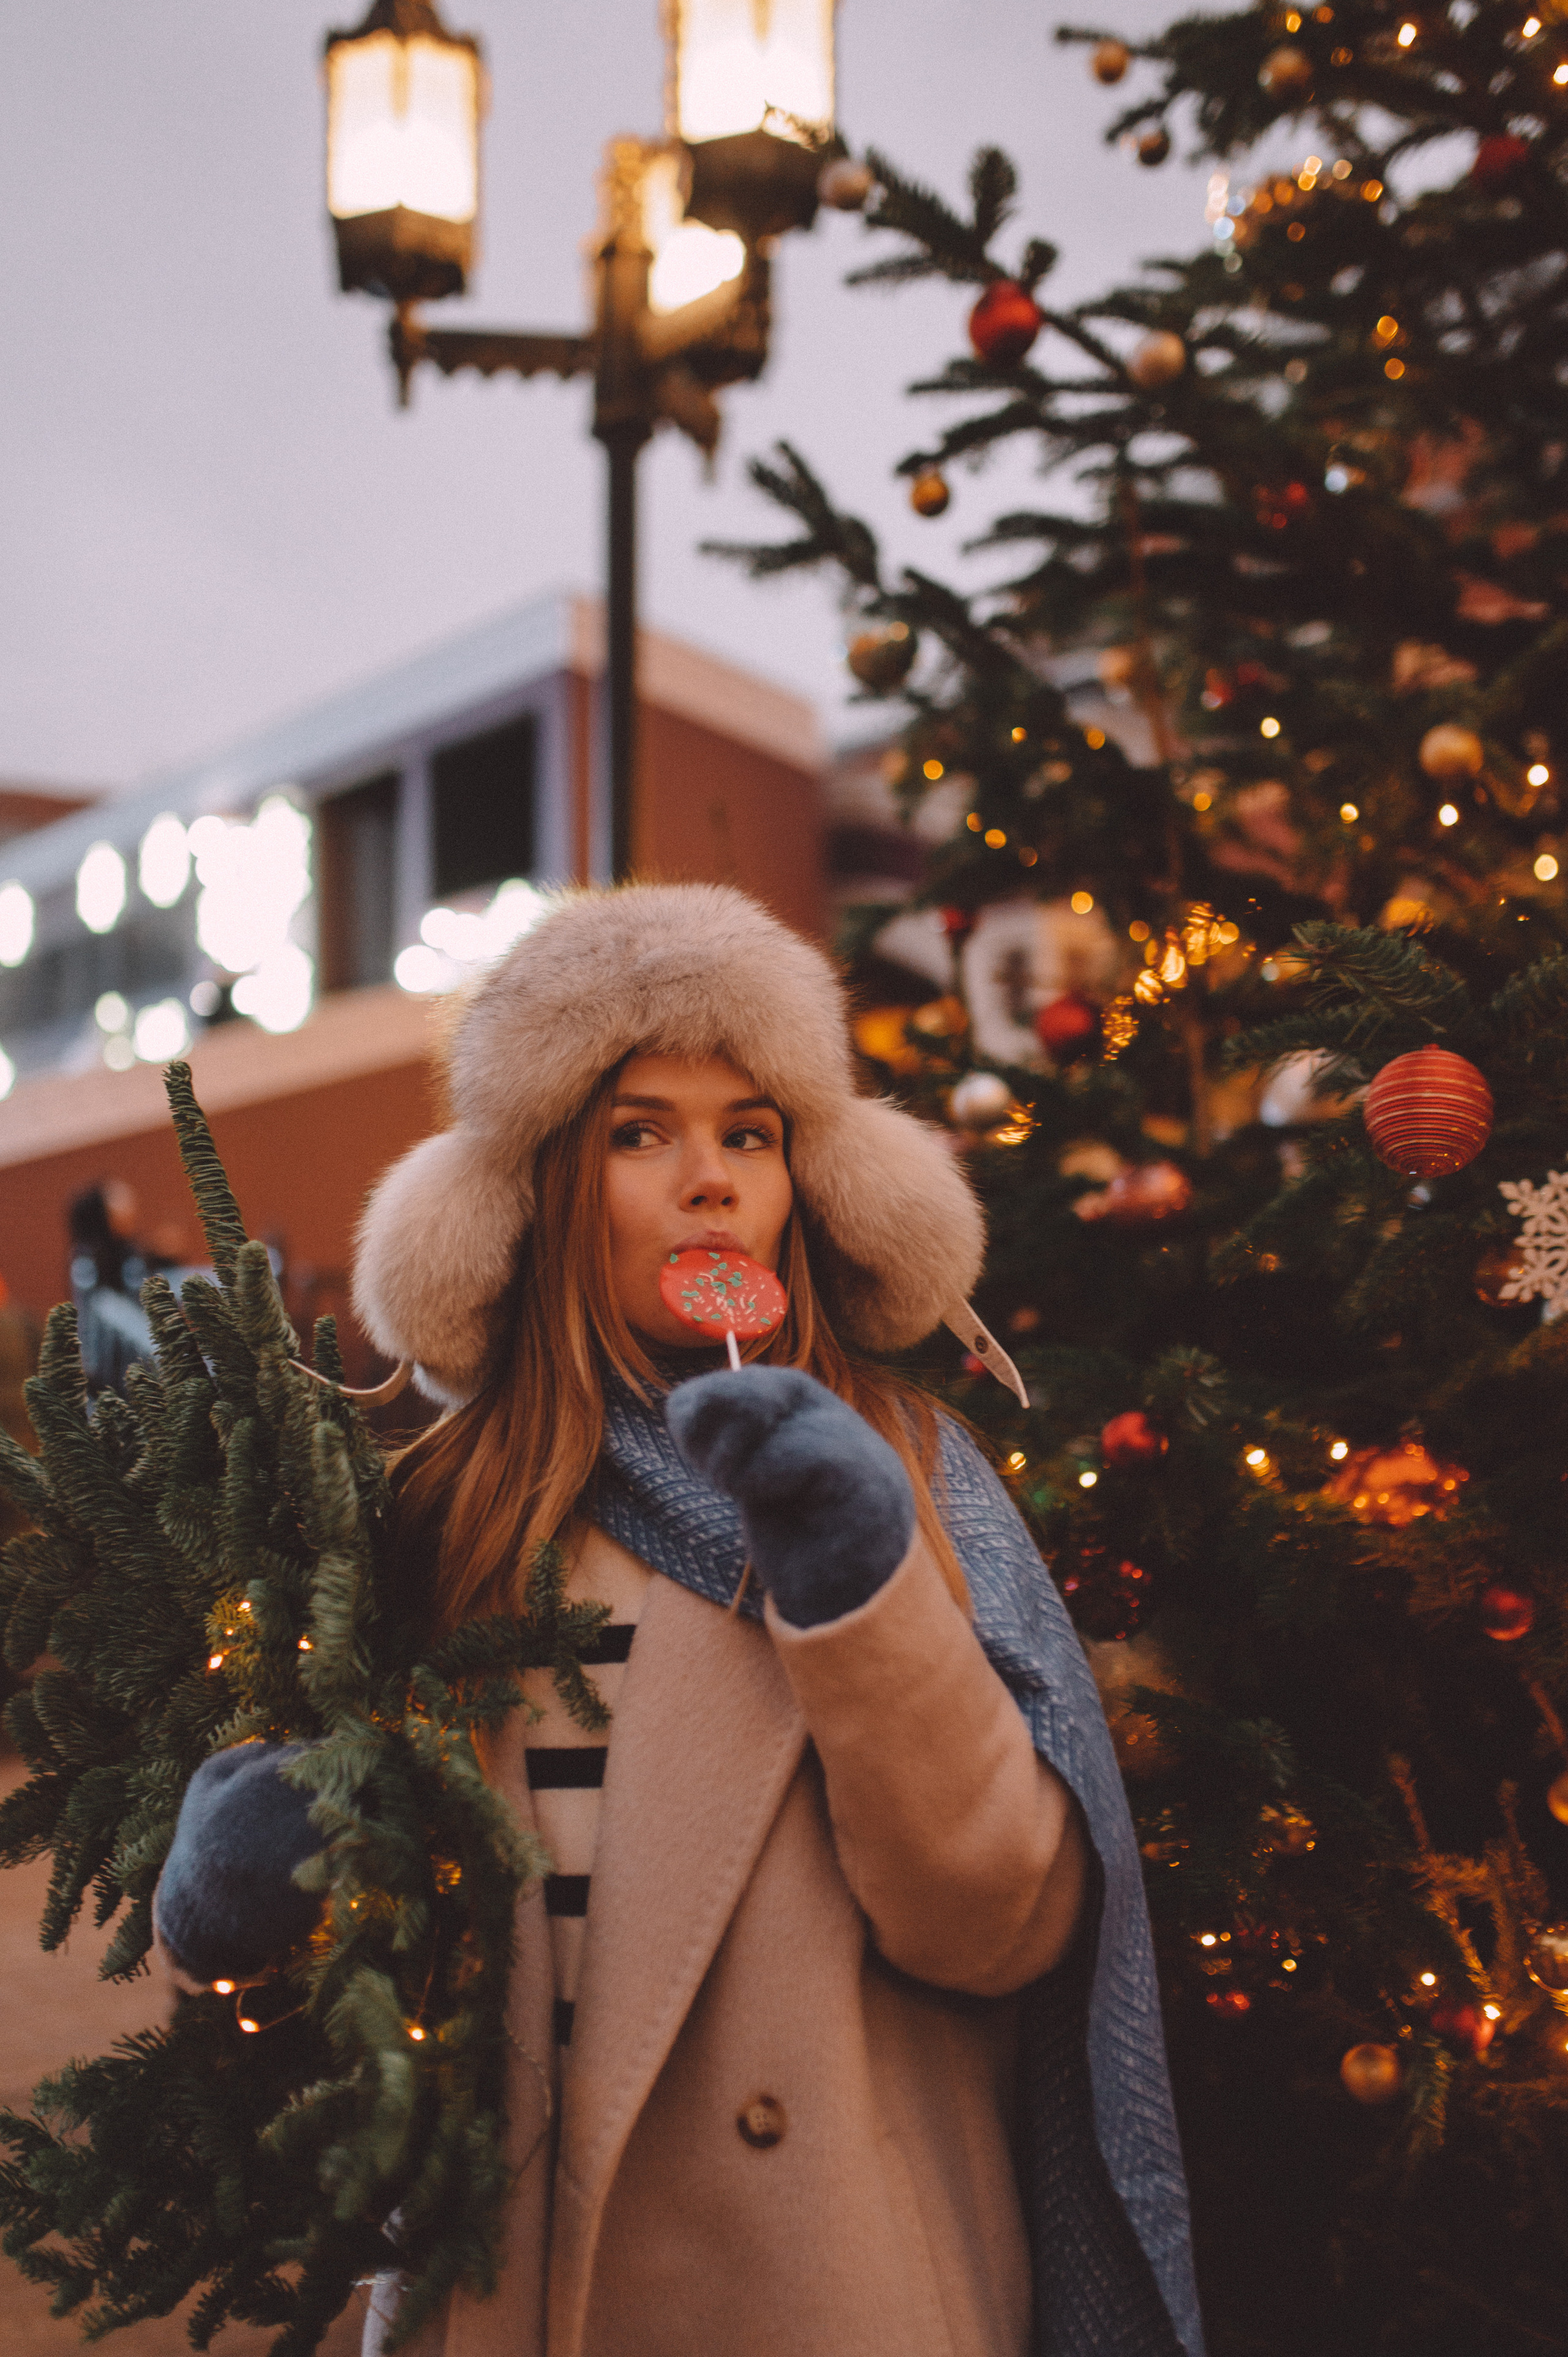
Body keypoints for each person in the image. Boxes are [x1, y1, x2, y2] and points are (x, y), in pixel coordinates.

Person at [156, 882, 1203, 2357]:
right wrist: (235, 1900)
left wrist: (862, 1592)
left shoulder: (909, 1473)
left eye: (750, 1134)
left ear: (807, 1181)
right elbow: (342, 2045)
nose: (709, 1179)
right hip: (500, 2300)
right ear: (542, 1186)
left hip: (831, 2292)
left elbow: (1000, 1930)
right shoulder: (443, 1512)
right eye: (639, 1133)